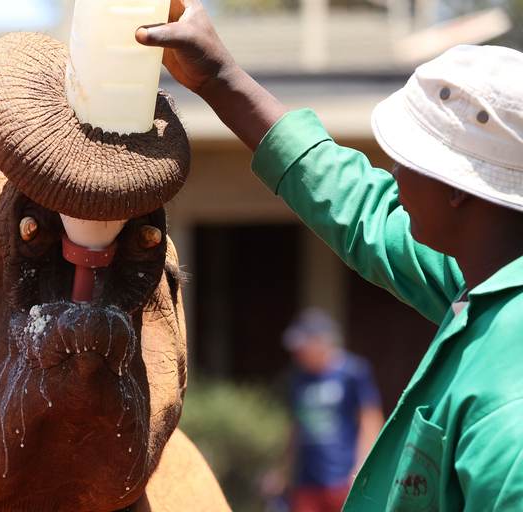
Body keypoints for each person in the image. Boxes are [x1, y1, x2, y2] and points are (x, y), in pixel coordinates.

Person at [137, 3, 523, 510]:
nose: (391, 173)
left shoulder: (509, 412)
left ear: (458, 189)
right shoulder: (479, 278)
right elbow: (357, 203)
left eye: (406, 158)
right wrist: (219, 78)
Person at [262, 308, 384, 512]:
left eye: (302, 346)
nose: (297, 353)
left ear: (321, 342)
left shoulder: (353, 372)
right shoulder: (297, 378)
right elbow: (296, 428)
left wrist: (362, 466)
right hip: (307, 481)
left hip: (344, 478)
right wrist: (281, 471)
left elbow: (370, 419)